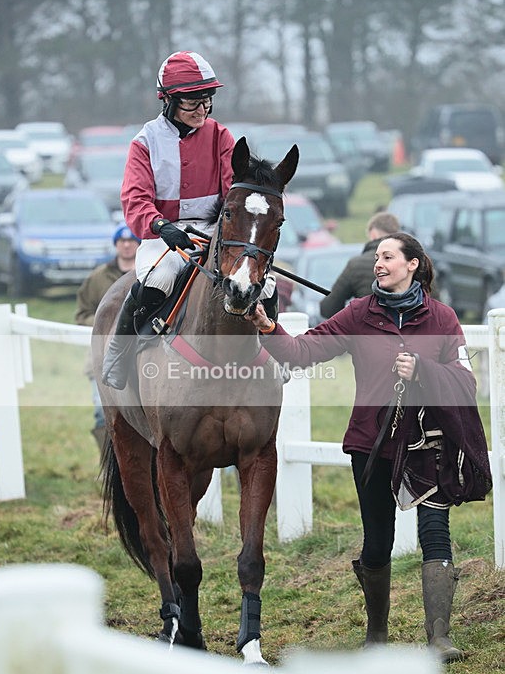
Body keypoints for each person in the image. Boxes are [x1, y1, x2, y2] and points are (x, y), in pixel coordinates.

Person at [247, 232, 492, 662]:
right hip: (372, 445)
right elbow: (302, 352)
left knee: (436, 534)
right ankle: (376, 634)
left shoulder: (442, 318)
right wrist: (269, 328)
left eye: (388, 256)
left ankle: (439, 639)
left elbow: (465, 382)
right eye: (377, 257)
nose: (378, 263)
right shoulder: (360, 313)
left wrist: (422, 370)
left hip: (427, 442)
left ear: (412, 264)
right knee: (377, 543)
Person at [101, 50, 277, 390]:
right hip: (164, 233)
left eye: (207, 101)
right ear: (168, 101)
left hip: (217, 231)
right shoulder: (145, 142)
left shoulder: (221, 136)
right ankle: (120, 354)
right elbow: (135, 200)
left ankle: (274, 354)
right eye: (192, 103)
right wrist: (161, 226)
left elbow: (235, 192)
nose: (202, 110)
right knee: (158, 279)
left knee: (265, 283)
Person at [75, 222, 140, 449]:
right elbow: (82, 313)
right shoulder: (98, 278)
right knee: (102, 414)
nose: (126, 245)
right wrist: (106, 324)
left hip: (141, 354)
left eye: (131, 240)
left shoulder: (149, 272)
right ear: (116, 244)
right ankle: (108, 460)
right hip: (102, 356)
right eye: (122, 241)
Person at [319, 211, 400, 319]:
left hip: (369, 327)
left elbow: (328, 309)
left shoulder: (356, 265)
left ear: (373, 234)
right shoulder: (413, 261)